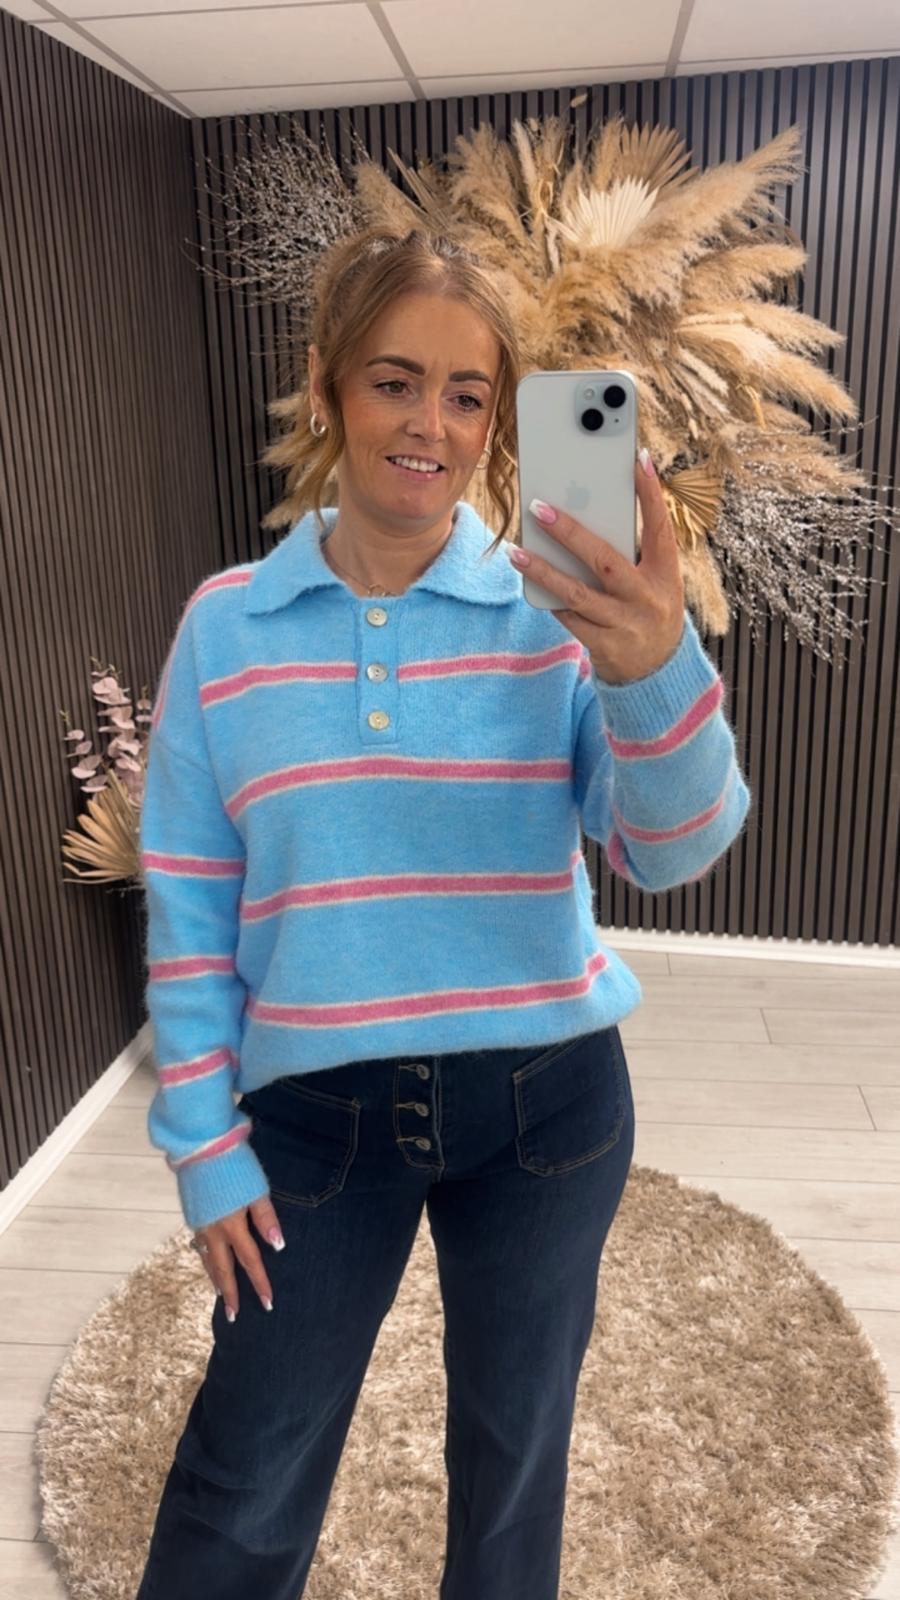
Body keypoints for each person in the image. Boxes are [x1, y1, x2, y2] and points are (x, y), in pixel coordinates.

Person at [134, 227, 751, 1600]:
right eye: (395, 381)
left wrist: (654, 663)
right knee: (244, 1475)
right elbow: (189, 910)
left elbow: (676, 847)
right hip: (314, 1118)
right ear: (326, 386)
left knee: (513, 1471)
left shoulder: (559, 620)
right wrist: (204, 1145)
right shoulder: (225, 631)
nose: (432, 424)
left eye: (469, 395)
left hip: (548, 1110)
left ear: (498, 422)